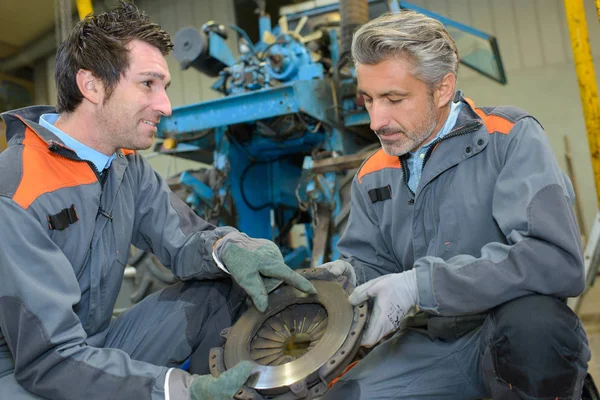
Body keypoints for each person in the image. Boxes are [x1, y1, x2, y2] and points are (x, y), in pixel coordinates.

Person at [0, 2, 317, 399]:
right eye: (148, 84)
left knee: (217, 292)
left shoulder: (125, 165)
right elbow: (47, 359)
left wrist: (230, 249)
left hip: (94, 346)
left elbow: (184, 240)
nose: (165, 105)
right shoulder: (17, 190)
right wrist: (173, 388)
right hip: (25, 371)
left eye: (164, 86)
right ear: (92, 85)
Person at [320, 10, 591, 400]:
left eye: (394, 99)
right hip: (430, 342)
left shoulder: (509, 139)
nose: (377, 121)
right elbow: (375, 267)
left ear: (443, 88)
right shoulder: (373, 174)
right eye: (369, 100)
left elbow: (554, 259)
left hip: (508, 332)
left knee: (536, 329)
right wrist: (343, 278)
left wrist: (420, 285)